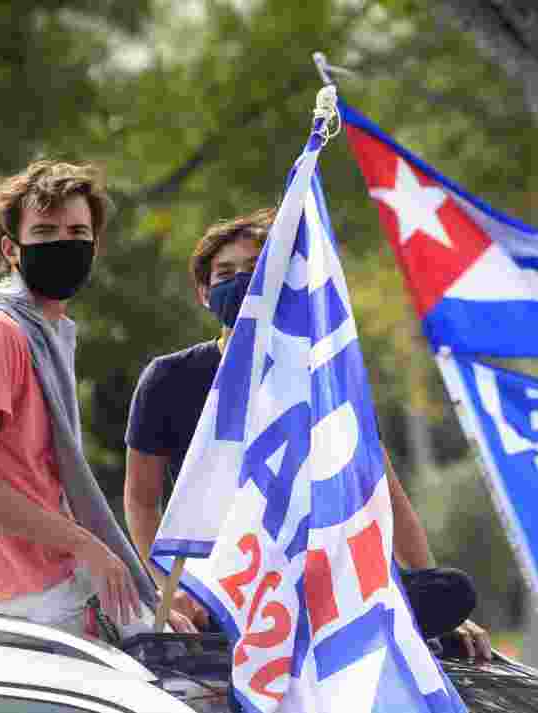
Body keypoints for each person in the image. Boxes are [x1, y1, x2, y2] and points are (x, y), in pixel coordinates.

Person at [125, 209, 493, 659]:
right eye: (225, 274)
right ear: (204, 293)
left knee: (449, 591)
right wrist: (169, 590)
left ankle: (313, 626)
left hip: (317, 575)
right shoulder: (169, 378)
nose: (242, 282)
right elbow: (142, 500)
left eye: (257, 270)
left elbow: (383, 492)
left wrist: (437, 596)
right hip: (221, 583)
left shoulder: (327, 378)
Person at [0, 160, 194, 639]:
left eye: (77, 230)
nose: (63, 242)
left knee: (182, 646)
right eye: (45, 231)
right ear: (10, 249)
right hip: (32, 600)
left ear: (95, 246)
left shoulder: (45, 334)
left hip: (59, 587)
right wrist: (88, 546)